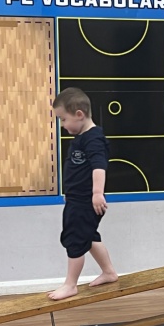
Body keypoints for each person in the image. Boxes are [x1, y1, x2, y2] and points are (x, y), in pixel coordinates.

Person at [49, 87, 118, 301]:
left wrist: (97, 193)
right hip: (77, 200)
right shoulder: (82, 137)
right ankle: (109, 272)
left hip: (86, 201)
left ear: (79, 114)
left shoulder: (93, 139)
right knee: (88, 236)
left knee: (75, 239)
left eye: (63, 119)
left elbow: (99, 166)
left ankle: (70, 285)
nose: (62, 125)